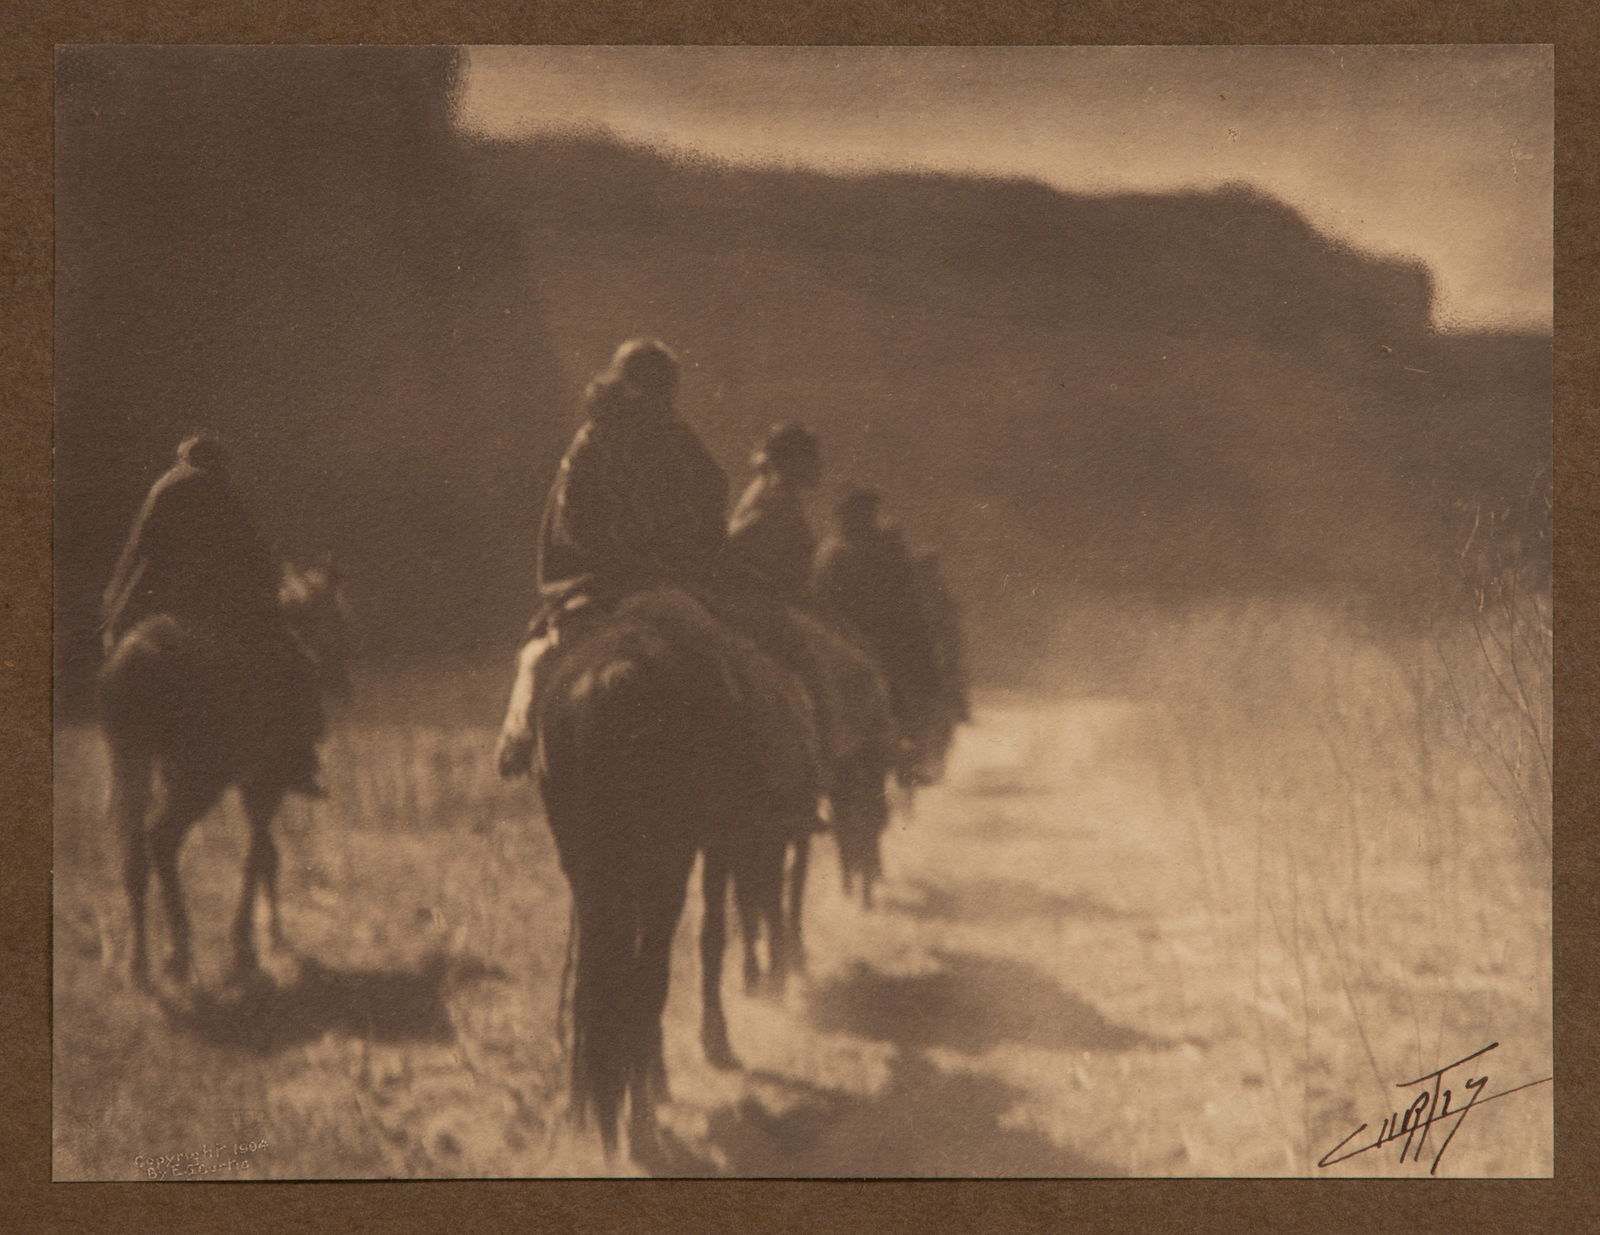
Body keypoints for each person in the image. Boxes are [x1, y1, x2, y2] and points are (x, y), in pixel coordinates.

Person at [101, 434, 325, 796]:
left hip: (161, 605)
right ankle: (300, 763)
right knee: (295, 664)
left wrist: (116, 616)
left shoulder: (161, 489)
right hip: (218, 607)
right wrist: (269, 586)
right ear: (218, 461)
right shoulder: (221, 489)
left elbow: (138, 553)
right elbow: (251, 551)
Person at [813, 488, 942, 734]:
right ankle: (908, 728)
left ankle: (913, 728)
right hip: (857, 633)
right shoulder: (838, 552)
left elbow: (902, 593)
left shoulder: (842, 550)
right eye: (860, 515)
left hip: (857, 631)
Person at [726, 423, 823, 605]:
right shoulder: (774, 498)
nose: (817, 462)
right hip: (760, 600)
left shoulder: (775, 490)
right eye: (809, 455)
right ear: (792, 460)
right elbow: (734, 540)